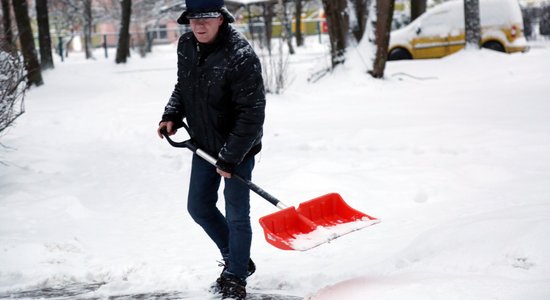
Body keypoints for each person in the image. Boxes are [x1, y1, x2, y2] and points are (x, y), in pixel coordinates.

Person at [156, 0, 265, 299]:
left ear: (220, 18)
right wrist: (172, 115)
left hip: (238, 147)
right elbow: (184, 85)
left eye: (206, 18)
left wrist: (230, 157)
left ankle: (235, 277)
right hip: (204, 144)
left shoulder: (240, 55)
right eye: (193, 19)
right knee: (199, 206)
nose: (199, 25)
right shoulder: (186, 45)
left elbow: (252, 113)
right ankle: (239, 259)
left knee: (236, 214)